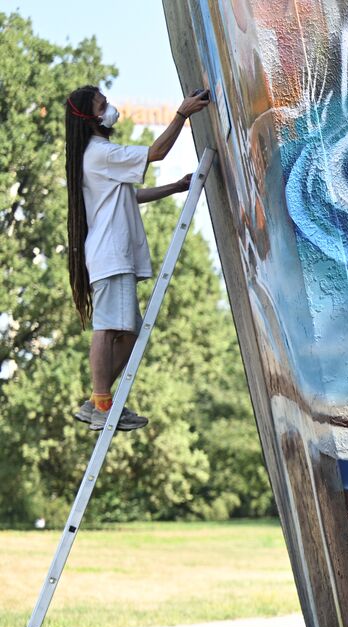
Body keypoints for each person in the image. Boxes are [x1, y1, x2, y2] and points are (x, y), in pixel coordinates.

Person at [64, 85, 210, 431]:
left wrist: (174, 187)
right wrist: (181, 115)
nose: (110, 108)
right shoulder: (99, 152)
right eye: (103, 105)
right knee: (107, 328)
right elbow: (156, 152)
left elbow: (132, 196)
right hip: (111, 255)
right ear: (92, 118)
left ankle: (97, 401)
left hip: (114, 256)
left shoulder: (98, 156)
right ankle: (101, 402)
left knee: (129, 333)